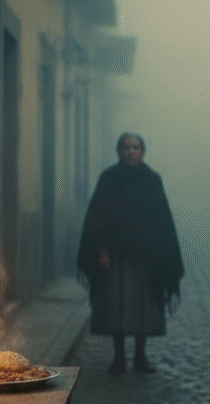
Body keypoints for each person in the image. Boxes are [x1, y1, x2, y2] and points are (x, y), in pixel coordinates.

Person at [77, 133, 184, 374]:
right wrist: (101, 250)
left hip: (147, 259)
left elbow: (162, 219)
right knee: (116, 308)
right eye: (126, 147)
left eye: (136, 147)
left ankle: (140, 356)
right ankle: (118, 357)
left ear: (143, 151)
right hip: (115, 257)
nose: (131, 151)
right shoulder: (109, 179)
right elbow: (97, 218)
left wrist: (160, 254)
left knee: (143, 309)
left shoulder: (152, 179)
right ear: (119, 151)